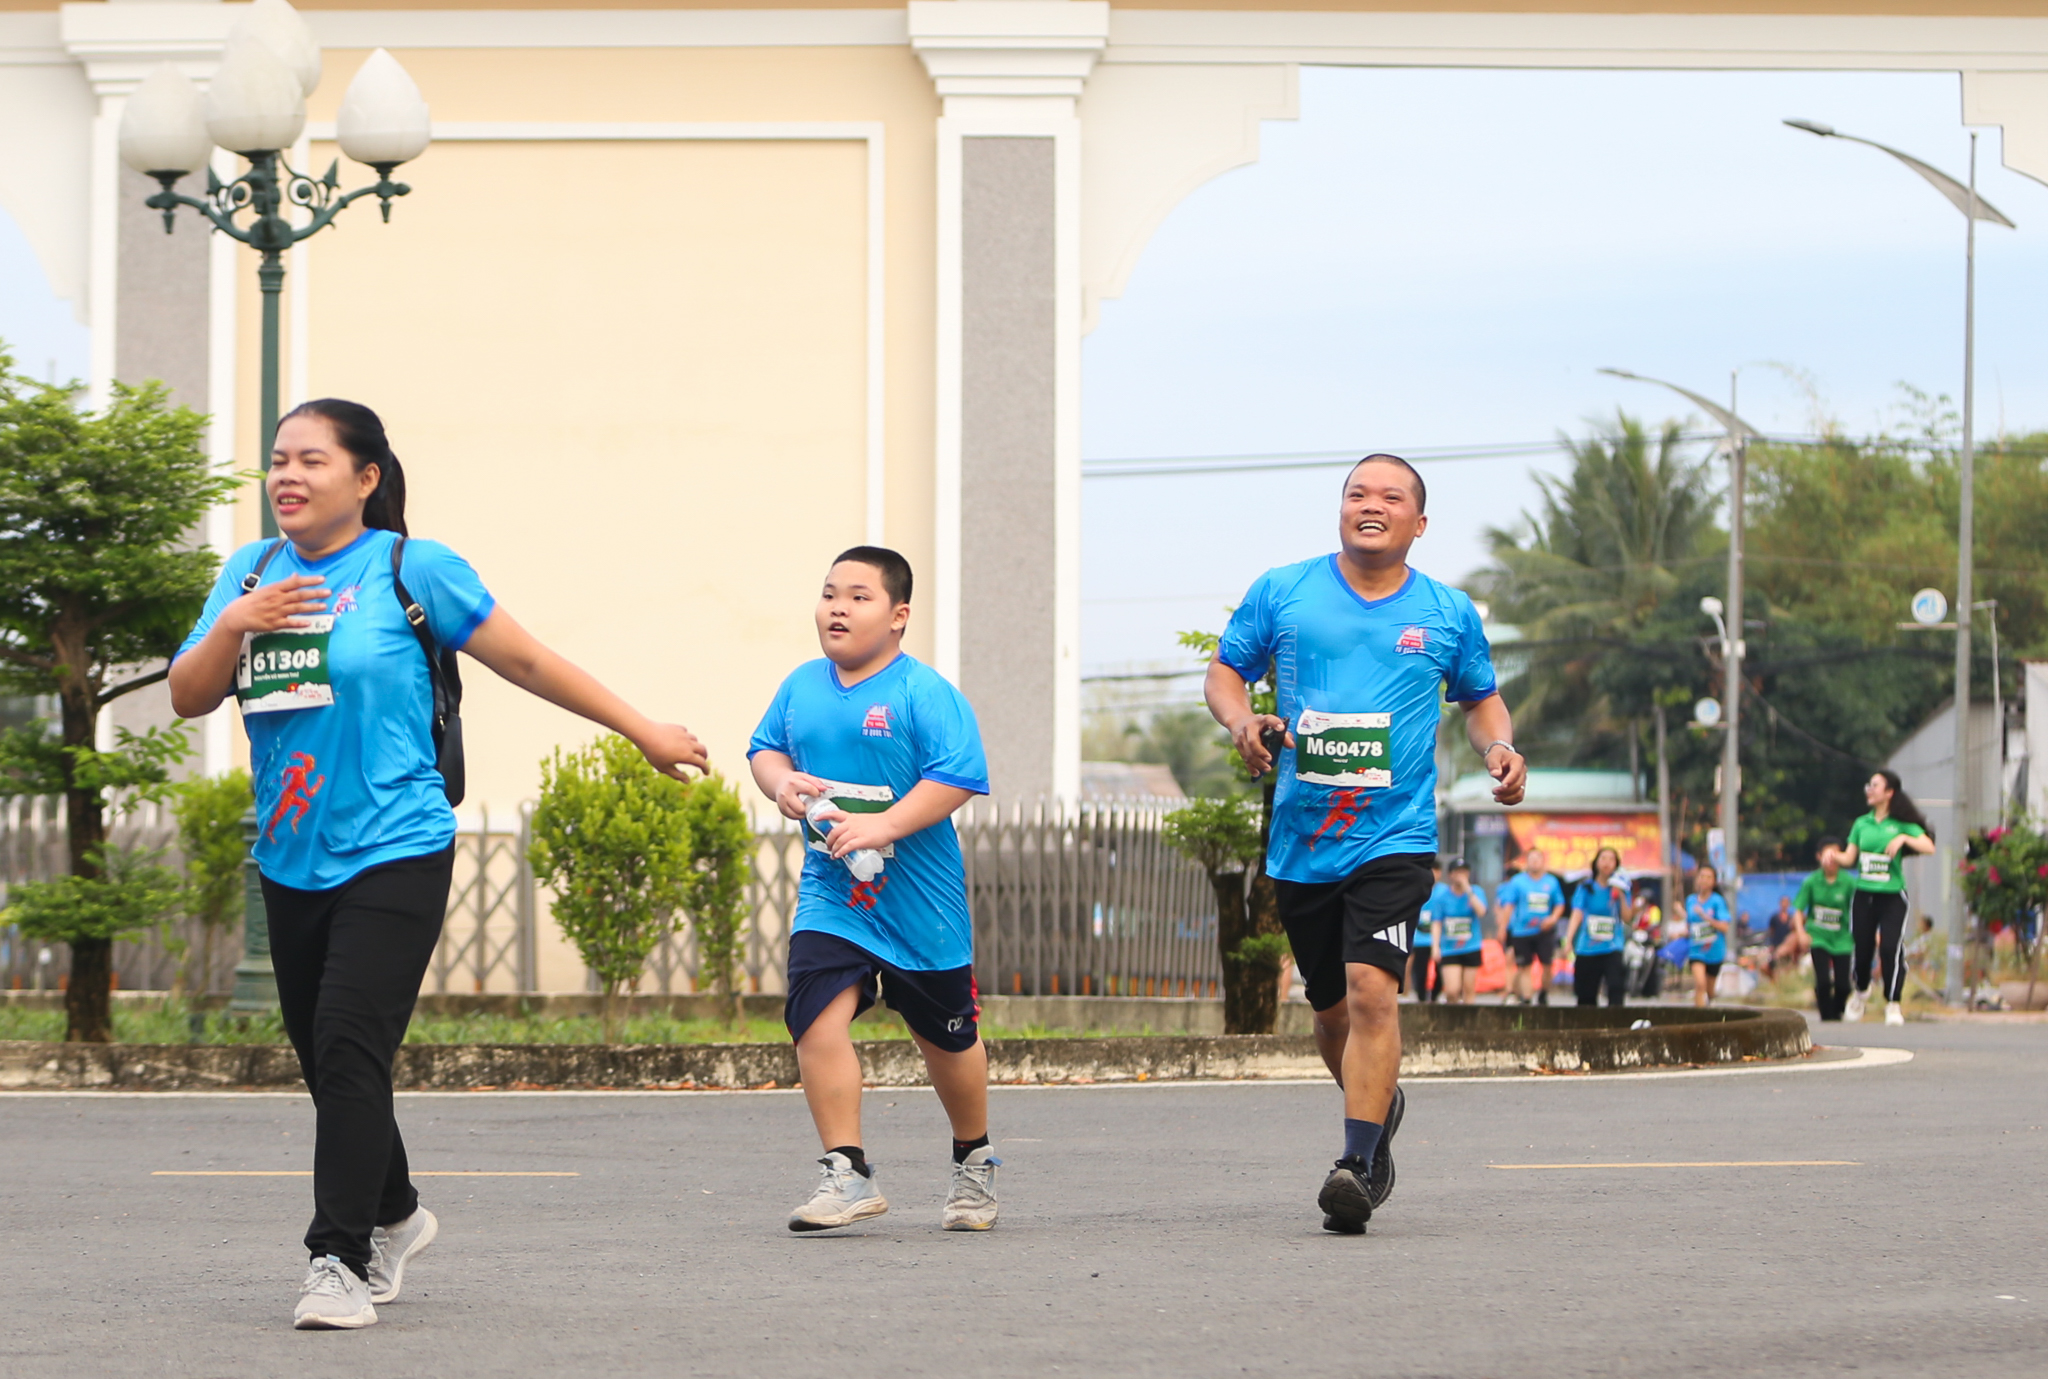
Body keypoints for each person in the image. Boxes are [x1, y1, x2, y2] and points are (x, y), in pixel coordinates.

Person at [167, 400, 708, 1330]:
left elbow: (529, 662)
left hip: (398, 844)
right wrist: (235, 623)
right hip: (291, 852)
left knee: (344, 1039)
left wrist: (643, 730)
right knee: (332, 1057)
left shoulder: (412, 568)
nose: (286, 477)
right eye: (277, 461)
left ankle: (336, 1259)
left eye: (311, 460)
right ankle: (397, 1211)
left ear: (367, 477)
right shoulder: (247, 572)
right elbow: (188, 695)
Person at [1203, 453, 1525, 1236]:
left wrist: (1497, 751)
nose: (1368, 505)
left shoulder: (1447, 612)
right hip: (1304, 838)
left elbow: (1482, 701)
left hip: (1397, 834)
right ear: (1340, 511)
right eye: (1356, 494)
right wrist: (1242, 720)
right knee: (1330, 1010)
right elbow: (1224, 672)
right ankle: (1378, 1105)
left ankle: (1356, 1162)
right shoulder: (1285, 591)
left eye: (1390, 496)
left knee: (1374, 988)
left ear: (1419, 522)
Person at [747, 547, 998, 1233]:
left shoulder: (925, 692)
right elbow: (765, 748)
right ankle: (847, 1170)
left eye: (858, 596)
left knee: (948, 1039)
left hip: (923, 906)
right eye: (830, 593)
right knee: (814, 1015)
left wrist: (883, 822)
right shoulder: (801, 686)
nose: (837, 607)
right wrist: (781, 783)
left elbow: (959, 774)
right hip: (834, 896)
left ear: (898, 615)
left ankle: (973, 1160)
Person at [1837, 769, 1936, 1025]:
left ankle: (1893, 1003)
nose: (1869, 789)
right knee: (1862, 949)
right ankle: (1861, 991)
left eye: (1875, 785)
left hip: (1892, 897)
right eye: (1868, 785)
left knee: (1891, 948)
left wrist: (1903, 838)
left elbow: (1929, 846)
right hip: (1864, 895)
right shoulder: (1862, 824)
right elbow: (1849, 857)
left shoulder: (1902, 824)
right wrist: (1832, 856)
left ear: (1889, 792)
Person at [1793, 837, 1855, 1021]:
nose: (1831, 859)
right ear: (1819, 857)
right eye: (1827, 855)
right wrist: (1801, 933)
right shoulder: (1811, 882)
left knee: (1844, 985)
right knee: (1824, 981)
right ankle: (1827, 1016)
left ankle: (1837, 1011)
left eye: (1836, 855)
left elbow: (1861, 908)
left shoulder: (1849, 882)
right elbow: (1798, 911)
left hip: (1842, 938)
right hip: (1818, 936)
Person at [1495, 848, 1567, 1005]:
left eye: (1538, 858)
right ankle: (1527, 1000)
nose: (1534, 862)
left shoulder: (1551, 882)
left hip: (1544, 931)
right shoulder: (1517, 882)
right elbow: (1508, 906)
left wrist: (1553, 918)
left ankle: (1543, 993)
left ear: (1543, 861)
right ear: (1526, 862)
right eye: (1531, 858)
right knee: (1524, 966)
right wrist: (1502, 927)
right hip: (1522, 931)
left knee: (1547, 965)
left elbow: (1560, 904)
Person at [1564, 846, 1629, 1007]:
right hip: (1588, 947)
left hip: (1612, 946)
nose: (1607, 863)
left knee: (1616, 988)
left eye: (1611, 859)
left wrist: (1620, 893)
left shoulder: (1623, 888)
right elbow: (1577, 913)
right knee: (1585, 994)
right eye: (1603, 858)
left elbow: (1627, 917)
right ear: (1596, 863)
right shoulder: (1586, 887)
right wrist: (1569, 938)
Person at [1429, 857, 1489, 1004]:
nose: (1461, 875)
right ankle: (1453, 1020)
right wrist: (1435, 946)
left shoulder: (1476, 892)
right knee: (1452, 990)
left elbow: (1481, 911)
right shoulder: (1442, 896)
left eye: (1464, 872)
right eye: (1458, 872)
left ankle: (1468, 1024)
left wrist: (1468, 890)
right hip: (1450, 948)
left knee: (1469, 989)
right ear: (1451, 875)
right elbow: (1436, 922)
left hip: (1471, 945)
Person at [1685, 863, 1733, 1007]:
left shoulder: (1717, 901)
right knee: (1700, 985)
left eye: (1708, 877)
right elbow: (1690, 924)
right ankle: (1698, 1020)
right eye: (1702, 876)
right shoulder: (1690, 900)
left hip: (1715, 951)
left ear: (1714, 881)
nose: (1704, 880)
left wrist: (1706, 917)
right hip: (1696, 951)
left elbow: (1725, 927)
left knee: (1710, 991)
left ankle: (1710, 1008)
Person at [1409, 860, 1443, 1002]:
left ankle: (1435, 996)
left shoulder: (1444, 892)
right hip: (1419, 938)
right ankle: (1421, 998)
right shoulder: (1415, 889)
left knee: (1440, 972)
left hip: (1439, 939)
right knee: (1420, 971)